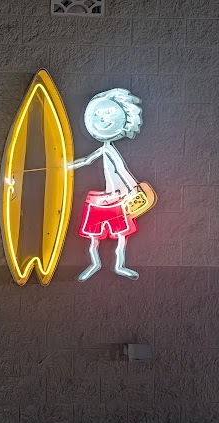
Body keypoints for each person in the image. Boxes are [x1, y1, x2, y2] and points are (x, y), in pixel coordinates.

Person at [69, 88, 147, 282]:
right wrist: (65, 166)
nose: (103, 119)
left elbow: (120, 170)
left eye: (109, 112)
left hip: (116, 201)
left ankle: (117, 265)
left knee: (118, 236)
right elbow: (88, 160)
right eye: (99, 113)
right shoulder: (105, 149)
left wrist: (133, 189)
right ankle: (97, 264)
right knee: (96, 238)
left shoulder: (109, 150)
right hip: (104, 202)